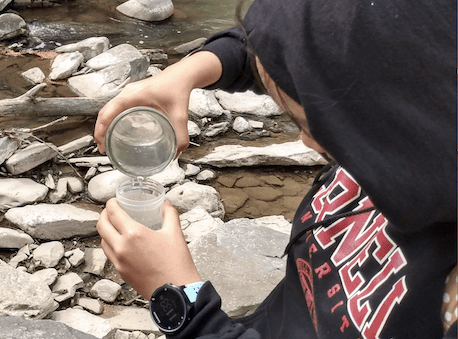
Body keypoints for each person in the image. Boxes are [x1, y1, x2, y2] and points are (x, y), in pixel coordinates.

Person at [93, 0, 457, 338]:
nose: (307, 142)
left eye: (318, 126)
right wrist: (186, 73)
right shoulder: (416, 123)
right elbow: (294, 47)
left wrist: (182, 300)